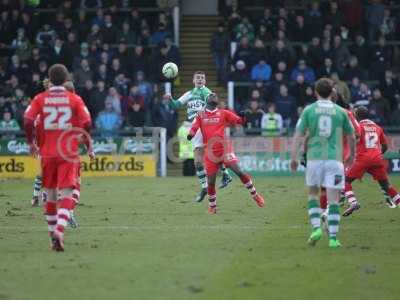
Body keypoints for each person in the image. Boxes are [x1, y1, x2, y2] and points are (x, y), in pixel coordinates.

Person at [24, 64, 92, 251]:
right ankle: (60, 231)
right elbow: (87, 122)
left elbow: (28, 120)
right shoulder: (74, 99)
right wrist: (85, 140)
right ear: (66, 79)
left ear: (50, 79)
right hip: (68, 153)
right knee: (67, 193)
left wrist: (31, 143)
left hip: (47, 153)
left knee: (51, 195)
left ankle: (52, 233)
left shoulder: (40, 98)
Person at [290, 78, 355, 248]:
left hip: (315, 160)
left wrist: (293, 157)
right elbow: (352, 135)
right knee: (334, 200)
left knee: (313, 194)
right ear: (332, 92)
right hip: (335, 160)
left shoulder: (309, 110)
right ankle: (333, 238)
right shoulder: (341, 111)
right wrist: (352, 155)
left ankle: (316, 229)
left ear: (315, 92)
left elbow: (299, 135)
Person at [187, 93, 265, 214]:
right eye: (212, 96)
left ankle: (255, 195)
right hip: (210, 152)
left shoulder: (224, 113)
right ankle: (212, 206)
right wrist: (191, 134)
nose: (214, 96)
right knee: (211, 181)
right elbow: (195, 126)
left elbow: (239, 121)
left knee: (239, 171)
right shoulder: (200, 114)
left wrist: (244, 117)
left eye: (216, 96)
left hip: (224, 148)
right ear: (207, 100)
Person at [166, 71, 232, 202]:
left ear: (205, 81)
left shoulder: (206, 92)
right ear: (193, 80)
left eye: (202, 78)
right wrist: (170, 100)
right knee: (197, 162)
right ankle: (205, 187)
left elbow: (213, 103)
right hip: (194, 128)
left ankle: (225, 174)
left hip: (206, 126)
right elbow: (176, 105)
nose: (200, 80)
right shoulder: (189, 94)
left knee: (212, 154)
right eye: (198, 78)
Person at [343, 106, 400, 216]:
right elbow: (385, 146)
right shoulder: (378, 127)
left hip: (362, 159)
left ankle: (353, 202)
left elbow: (354, 139)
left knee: (346, 181)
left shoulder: (359, 127)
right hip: (377, 159)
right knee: (386, 185)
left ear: (357, 116)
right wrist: (377, 154)